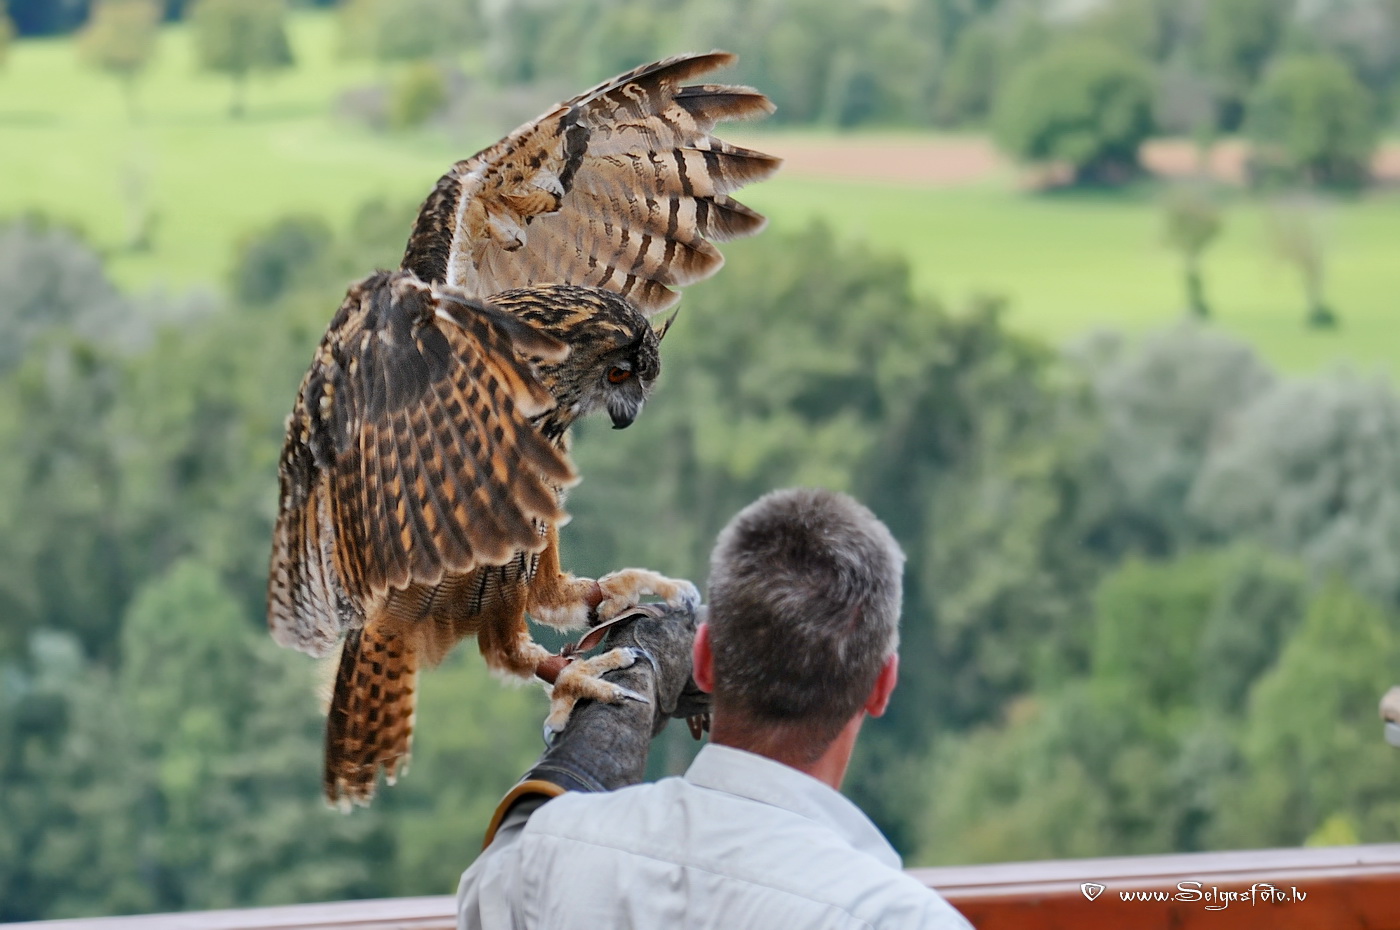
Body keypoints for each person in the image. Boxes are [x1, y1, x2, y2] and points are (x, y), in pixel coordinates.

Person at [456, 487, 973, 929]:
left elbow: (492, 886)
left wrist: (618, 707)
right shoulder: (906, 920)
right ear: (882, 686)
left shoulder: (548, 856)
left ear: (702, 659)